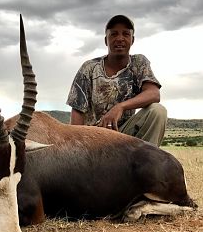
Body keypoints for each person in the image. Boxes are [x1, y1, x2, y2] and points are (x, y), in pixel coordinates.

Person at [66, 15, 167, 147]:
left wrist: (119, 107)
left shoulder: (139, 63)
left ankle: (147, 164)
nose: (120, 39)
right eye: (113, 34)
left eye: (126, 34)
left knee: (158, 111)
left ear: (132, 40)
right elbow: (77, 111)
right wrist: (77, 147)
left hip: (124, 136)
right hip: (94, 141)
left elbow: (154, 94)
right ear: (106, 40)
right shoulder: (89, 68)